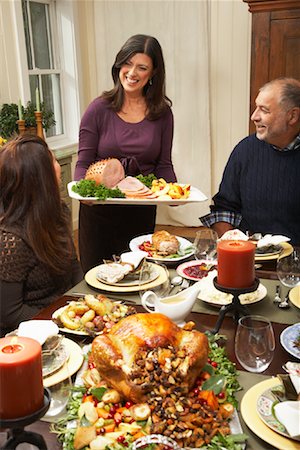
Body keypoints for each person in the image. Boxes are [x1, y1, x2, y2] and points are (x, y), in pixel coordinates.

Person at [75, 34, 176, 273]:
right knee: (98, 278)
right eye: (127, 64)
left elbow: (163, 164)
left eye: (141, 67)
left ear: (152, 74)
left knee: (136, 276)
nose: (132, 73)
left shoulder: (163, 114)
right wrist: (81, 192)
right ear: (118, 66)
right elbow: (83, 162)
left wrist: (174, 192)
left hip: (140, 212)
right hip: (99, 211)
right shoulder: (98, 109)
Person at [201, 77, 300, 244]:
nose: (254, 116)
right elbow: (224, 208)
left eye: (264, 110)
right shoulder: (245, 150)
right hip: (248, 255)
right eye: (256, 108)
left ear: (292, 116)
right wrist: (232, 245)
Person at [0, 135, 82, 336]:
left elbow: (74, 268)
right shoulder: (10, 240)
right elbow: (9, 314)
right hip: (31, 335)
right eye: (52, 160)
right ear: (40, 178)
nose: (58, 167)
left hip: (65, 317)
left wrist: (85, 301)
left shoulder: (58, 212)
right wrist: (61, 321)